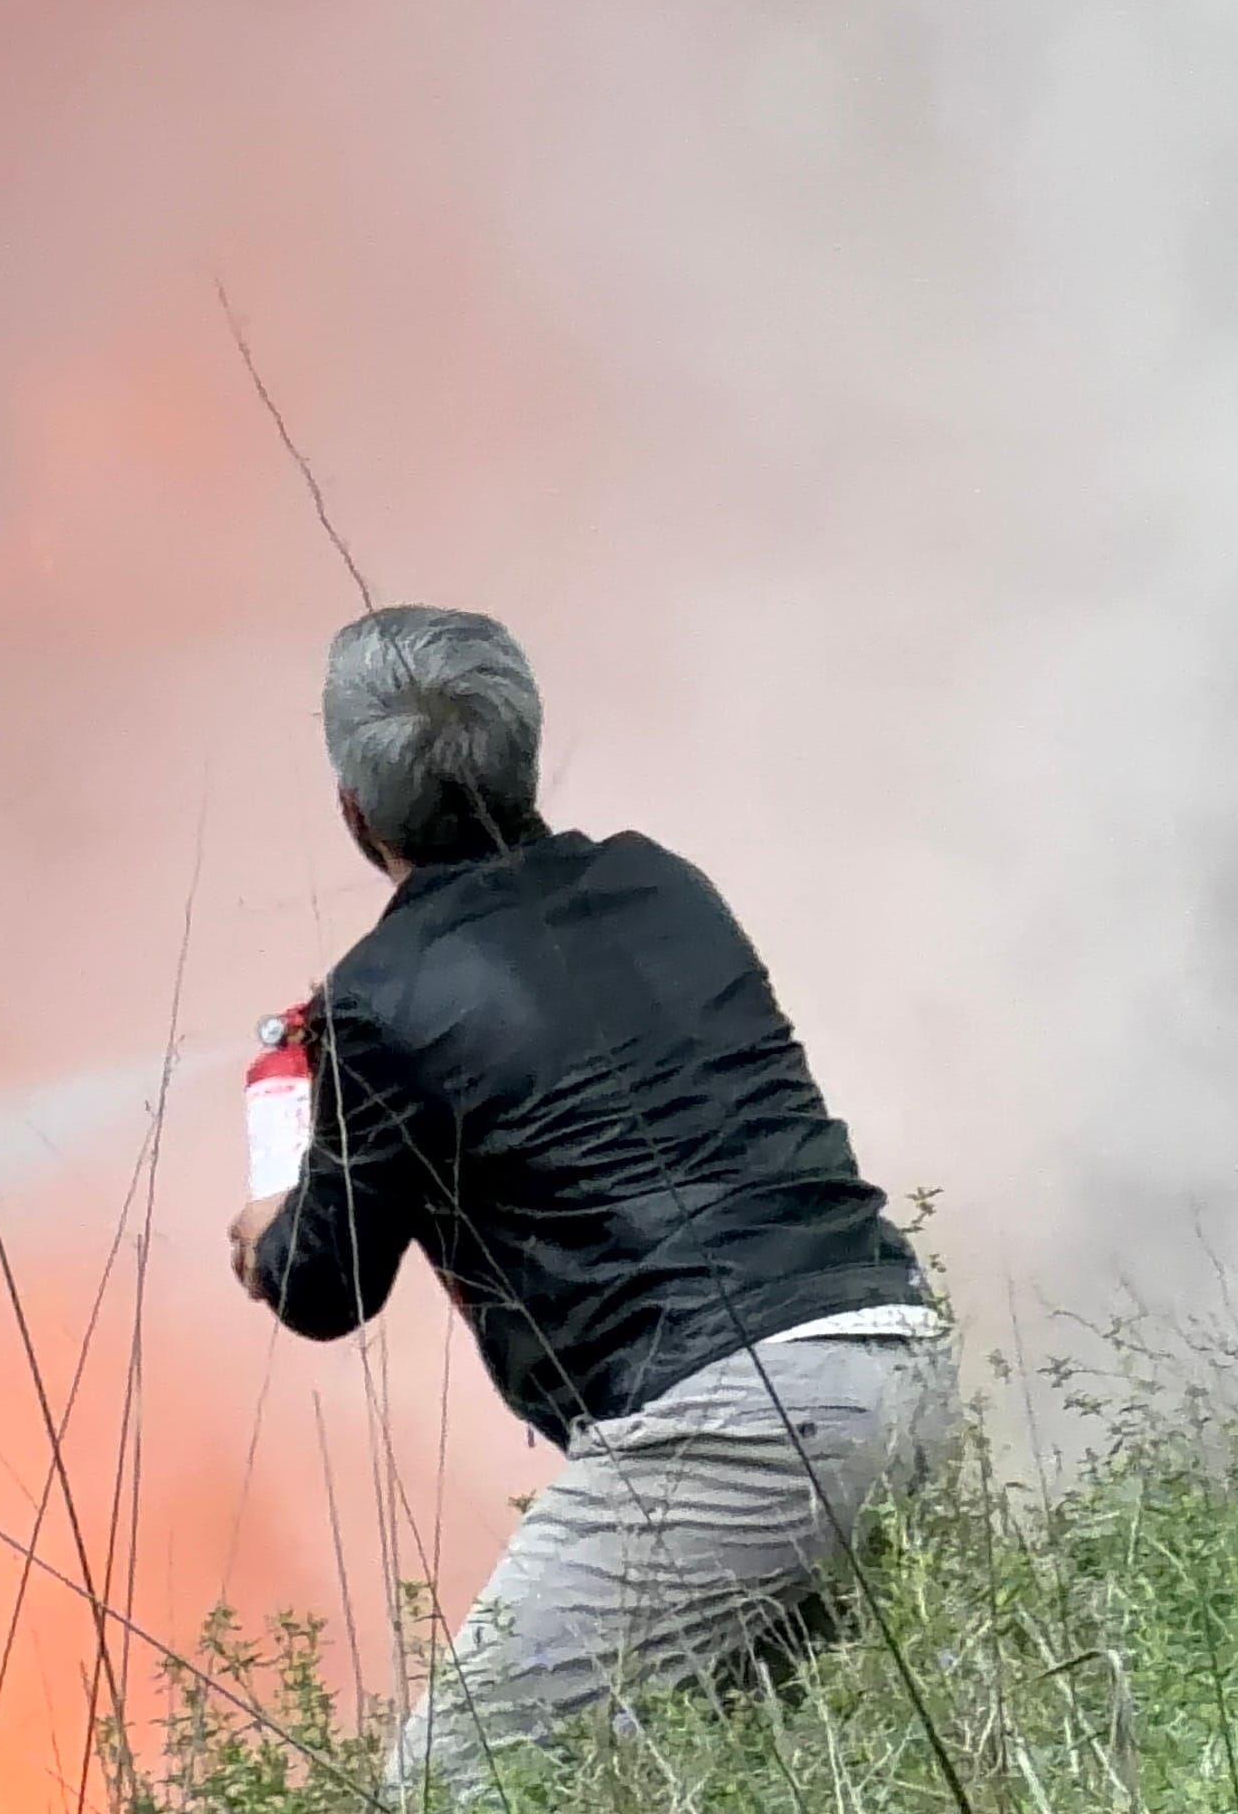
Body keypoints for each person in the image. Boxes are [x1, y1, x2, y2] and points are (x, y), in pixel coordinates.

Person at [228, 604, 957, 1801]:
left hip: (732, 1424)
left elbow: (325, 1288)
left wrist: (269, 1224)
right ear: (527, 753)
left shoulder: (379, 998)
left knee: (456, 1782)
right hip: (894, 1356)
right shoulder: (661, 881)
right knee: (756, 1768)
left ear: (355, 813)